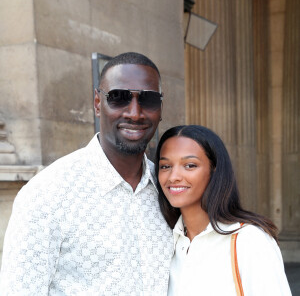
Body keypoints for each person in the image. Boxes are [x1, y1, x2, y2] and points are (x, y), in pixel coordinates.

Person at [0, 52, 173, 295]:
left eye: (149, 100)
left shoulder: (171, 191)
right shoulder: (46, 194)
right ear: (97, 103)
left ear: (161, 108)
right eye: (119, 97)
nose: (135, 113)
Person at [155, 125, 292, 296]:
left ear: (214, 171)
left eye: (189, 165)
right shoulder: (165, 244)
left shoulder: (250, 241)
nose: (173, 176)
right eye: (165, 166)